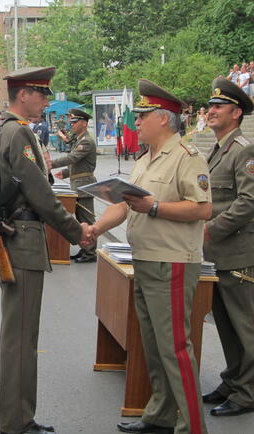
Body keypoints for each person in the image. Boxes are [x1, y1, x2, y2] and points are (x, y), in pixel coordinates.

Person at [88, 79, 211, 434]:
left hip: (172, 262)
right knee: (154, 346)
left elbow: (202, 209)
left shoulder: (188, 158)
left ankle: (192, 426)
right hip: (143, 259)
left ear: (163, 119)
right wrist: (95, 229)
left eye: (142, 117)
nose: (136, 123)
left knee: (175, 348)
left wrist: (154, 206)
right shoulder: (145, 160)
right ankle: (159, 414)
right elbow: (125, 208)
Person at [0, 67, 90, 434]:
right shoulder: (18, 132)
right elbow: (40, 194)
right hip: (23, 238)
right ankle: (16, 422)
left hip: (20, 235)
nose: (46, 101)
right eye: (41, 94)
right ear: (23, 94)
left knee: (21, 336)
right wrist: (77, 232)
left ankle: (18, 417)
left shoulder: (8, 130)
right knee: (21, 339)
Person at [201, 77, 254, 417]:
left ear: (236, 113)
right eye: (210, 105)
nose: (211, 110)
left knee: (244, 325)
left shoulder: (244, 149)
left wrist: (211, 230)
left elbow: (249, 200)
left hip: (237, 252)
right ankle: (234, 379)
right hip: (218, 255)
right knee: (224, 323)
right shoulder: (218, 149)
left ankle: (247, 391)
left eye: (218, 106)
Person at [51, 108, 98, 263]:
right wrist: (64, 173)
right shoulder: (79, 139)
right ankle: (85, 249)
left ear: (83, 123)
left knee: (87, 220)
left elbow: (72, 158)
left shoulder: (86, 141)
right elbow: (77, 164)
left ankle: (90, 253)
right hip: (78, 184)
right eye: (71, 122)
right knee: (80, 220)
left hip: (84, 186)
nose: (71, 125)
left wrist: (50, 164)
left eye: (74, 122)